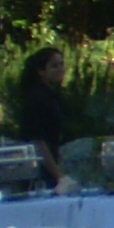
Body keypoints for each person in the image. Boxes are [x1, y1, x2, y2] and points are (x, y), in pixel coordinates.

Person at [15, 46, 71, 188]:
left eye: (61, 64)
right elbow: (38, 141)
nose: (60, 69)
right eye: (54, 66)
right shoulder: (37, 99)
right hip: (39, 172)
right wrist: (58, 176)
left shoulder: (53, 95)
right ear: (41, 71)